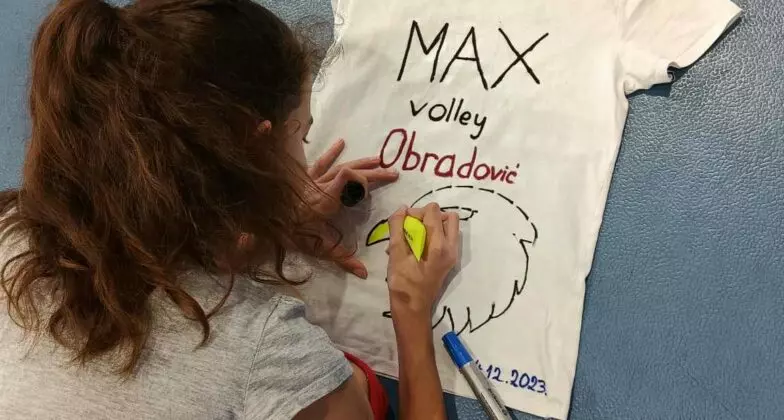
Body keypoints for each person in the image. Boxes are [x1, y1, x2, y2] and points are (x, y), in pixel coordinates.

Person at [0, 0, 460, 419]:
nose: (304, 156)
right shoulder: (275, 353)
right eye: (301, 134)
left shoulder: (12, 232)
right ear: (256, 145)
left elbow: (156, 272)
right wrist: (411, 308)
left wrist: (270, 226)